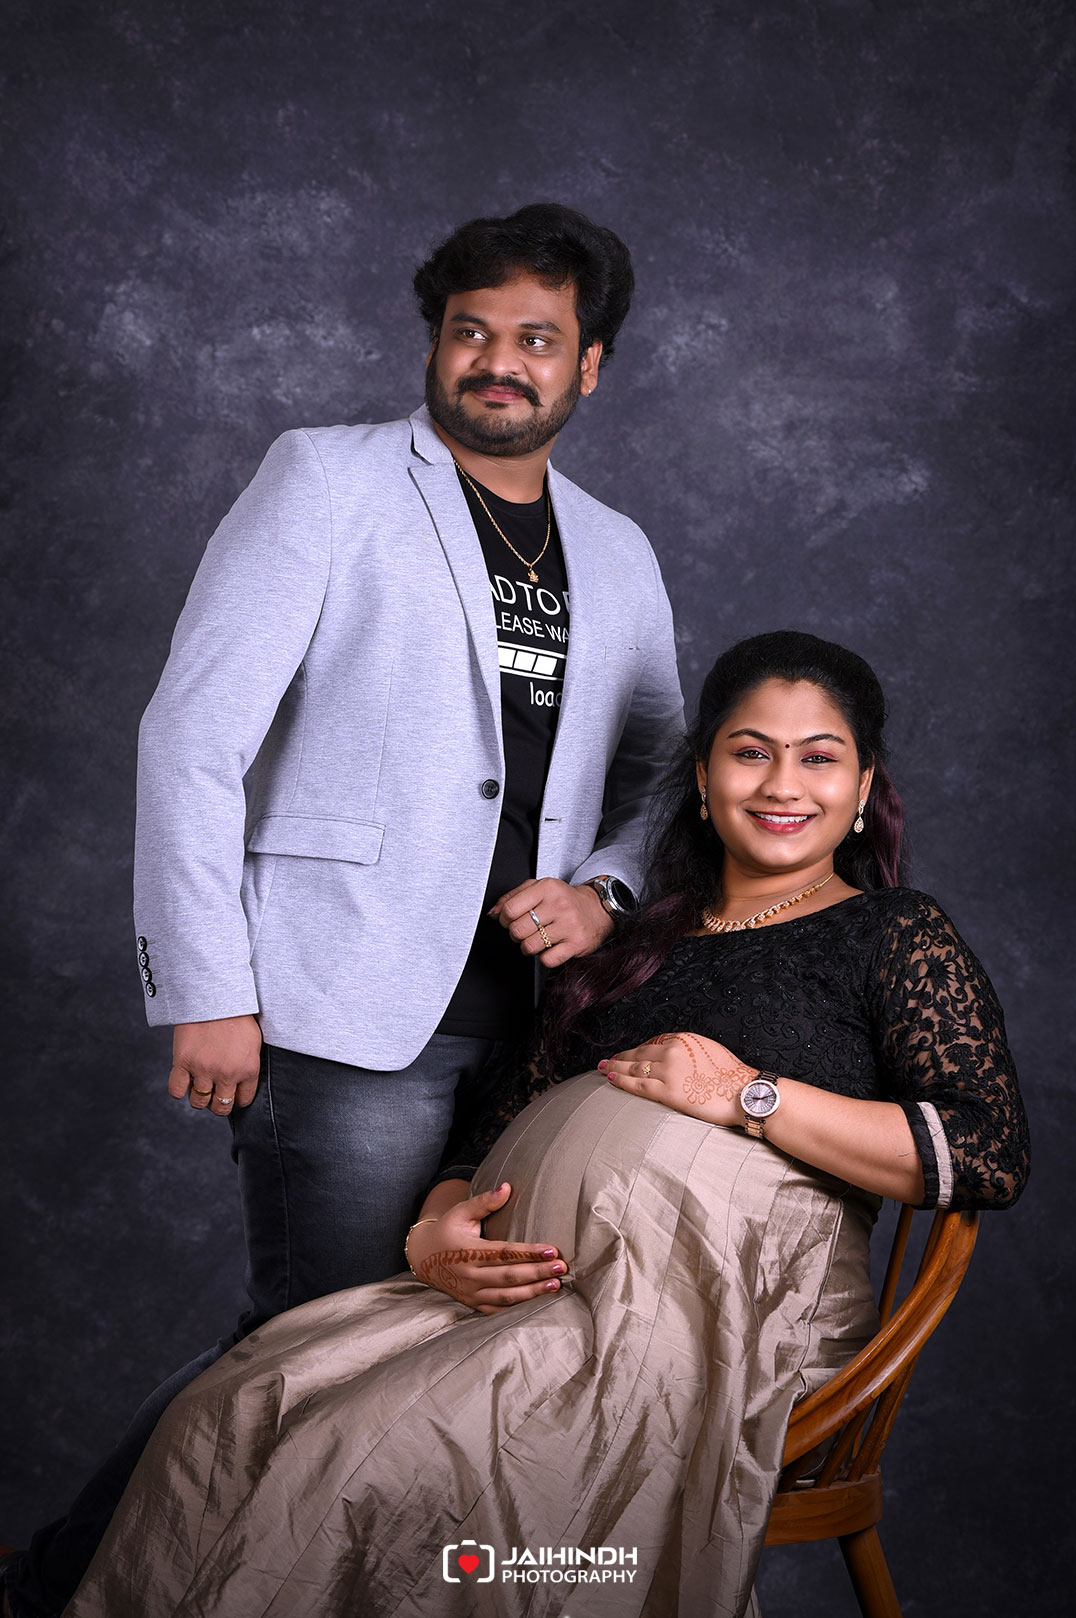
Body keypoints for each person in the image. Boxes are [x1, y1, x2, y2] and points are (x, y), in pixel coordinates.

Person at [2, 203, 684, 1618]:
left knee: (429, 1355)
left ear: (589, 367)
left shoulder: (619, 549)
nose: (498, 361)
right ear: (436, 342)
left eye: (536, 339)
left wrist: (608, 890)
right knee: (313, 1344)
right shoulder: (326, 478)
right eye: (471, 331)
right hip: (339, 1001)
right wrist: (208, 986)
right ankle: (66, 1583)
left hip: (534, 1026)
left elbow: (664, 765)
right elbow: (192, 735)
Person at [65, 631, 1028, 1618]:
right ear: (702, 780)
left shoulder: (891, 933)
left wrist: (751, 1093)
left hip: (722, 1315)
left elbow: (987, 1150)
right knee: (236, 1410)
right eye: (751, 752)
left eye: (818, 757)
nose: (783, 783)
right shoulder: (633, 944)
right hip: (536, 1296)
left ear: (863, 786)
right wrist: (435, 1228)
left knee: (379, 1457)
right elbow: (495, 1117)